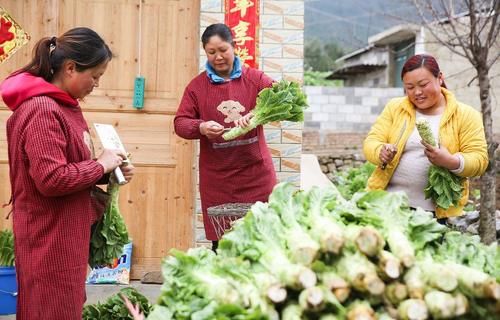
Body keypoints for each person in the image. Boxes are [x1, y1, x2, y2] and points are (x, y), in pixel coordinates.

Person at [0, 27, 135, 320]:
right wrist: (100, 164)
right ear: (71, 68)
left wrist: (109, 172)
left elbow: (68, 167)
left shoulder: (61, 107)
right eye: (96, 75)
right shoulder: (43, 110)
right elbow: (51, 179)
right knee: (51, 311)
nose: (97, 84)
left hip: (63, 235)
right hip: (49, 240)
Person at [174, 23, 277, 250]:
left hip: (256, 175)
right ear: (205, 52)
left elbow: (281, 96)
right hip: (218, 180)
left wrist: (256, 114)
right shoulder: (197, 87)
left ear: (234, 46)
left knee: (263, 242)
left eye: (223, 50)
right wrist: (201, 127)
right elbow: (180, 123)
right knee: (223, 245)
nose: (218, 57)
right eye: (211, 53)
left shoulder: (255, 79)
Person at [363, 54, 488, 220]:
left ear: (440, 78)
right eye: (410, 87)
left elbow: (479, 161)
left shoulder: (466, 115)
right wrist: (381, 152)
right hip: (389, 205)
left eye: (423, 84)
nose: (417, 92)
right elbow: (371, 141)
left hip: (438, 215)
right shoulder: (395, 108)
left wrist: (450, 161)